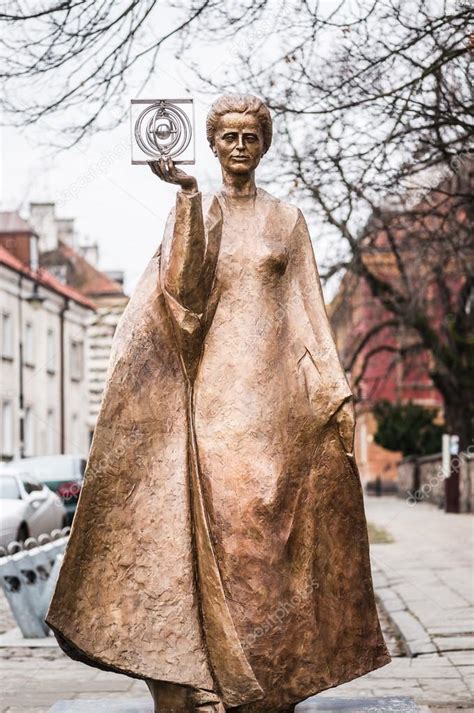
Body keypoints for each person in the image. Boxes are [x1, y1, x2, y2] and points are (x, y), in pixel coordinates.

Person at [47, 94, 390, 713]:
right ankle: (207, 680)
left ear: (263, 143)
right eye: (227, 135)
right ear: (212, 144)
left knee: (270, 542)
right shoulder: (199, 212)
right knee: (220, 534)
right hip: (211, 402)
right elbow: (182, 301)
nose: (238, 145)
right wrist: (184, 196)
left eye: (249, 135)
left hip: (275, 403)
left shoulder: (287, 220)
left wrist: (332, 391)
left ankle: (270, 679)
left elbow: (308, 309)